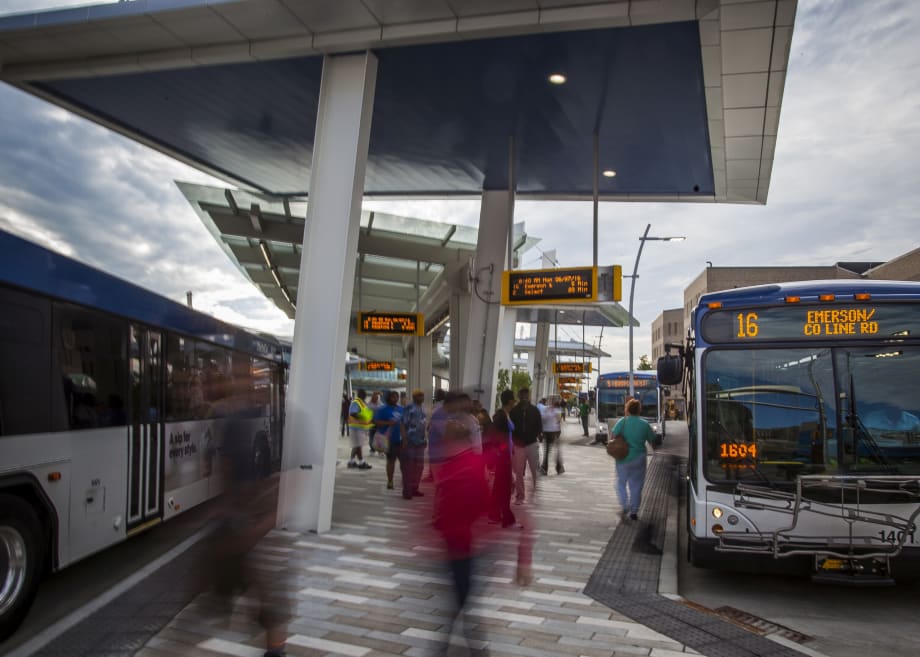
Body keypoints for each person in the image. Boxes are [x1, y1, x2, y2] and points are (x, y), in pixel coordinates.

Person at [610, 398, 658, 521]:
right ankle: (634, 511)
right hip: (639, 458)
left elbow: (613, 435)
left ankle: (624, 504)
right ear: (639, 410)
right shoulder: (645, 424)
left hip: (623, 457)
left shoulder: (622, 421)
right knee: (636, 485)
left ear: (627, 409)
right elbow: (652, 440)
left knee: (620, 482)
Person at [487, 390, 516, 527]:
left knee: (501, 486)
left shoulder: (506, 414)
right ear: (510, 401)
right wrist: (502, 449)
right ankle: (504, 516)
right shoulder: (500, 416)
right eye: (513, 399)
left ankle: (497, 515)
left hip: (506, 455)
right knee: (503, 486)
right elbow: (494, 435)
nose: (515, 401)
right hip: (503, 457)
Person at [509, 387, 542, 505]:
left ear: (529, 397)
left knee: (534, 469)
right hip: (519, 446)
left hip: (532, 444)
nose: (524, 398)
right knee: (518, 472)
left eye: (526, 396)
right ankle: (520, 496)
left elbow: (539, 425)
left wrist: (536, 436)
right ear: (519, 397)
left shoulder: (535, 410)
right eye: (522, 396)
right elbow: (511, 428)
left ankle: (535, 491)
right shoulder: (514, 411)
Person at [374, 390, 406, 494]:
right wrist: (388, 423)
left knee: (404, 463)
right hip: (389, 440)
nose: (395, 399)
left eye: (396, 397)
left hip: (400, 440)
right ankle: (390, 481)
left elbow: (403, 424)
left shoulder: (401, 409)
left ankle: (405, 481)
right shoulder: (382, 409)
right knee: (391, 461)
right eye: (393, 397)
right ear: (388, 398)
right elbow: (376, 422)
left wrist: (405, 438)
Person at [401, 388, 428, 497]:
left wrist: (425, 439)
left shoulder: (422, 409)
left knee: (419, 467)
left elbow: (422, 426)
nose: (422, 397)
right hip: (410, 442)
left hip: (420, 442)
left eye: (422, 395)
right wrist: (404, 439)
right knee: (409, 467)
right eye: (419, 396)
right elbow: (402, 424)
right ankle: (407, 491)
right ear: (414, 397)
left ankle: (414, 488)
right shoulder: (409, 408)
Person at [346, 389, 373, 470]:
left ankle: (351, 461)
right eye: (363, 393)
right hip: (356, 427)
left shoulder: (362, 403)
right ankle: (361, 462)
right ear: (359, 394)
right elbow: (353, 413)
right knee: (358, 445)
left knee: (356, 445)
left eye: (365, 393)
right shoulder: (356, 402)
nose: (365, 395)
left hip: (360, 427)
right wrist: (363, 417)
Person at [540, 399, 564, 475]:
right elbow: (559, 420)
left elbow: (542, 420)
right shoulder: (556, 410)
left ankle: (545, 468)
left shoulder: (546, 410)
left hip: (548, 432)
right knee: (555, 451)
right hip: (554, 432)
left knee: (547, 451)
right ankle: (559, 467)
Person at [367, 390, 383, 456]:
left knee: (379, 437)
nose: (376, 398)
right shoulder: (369, 404)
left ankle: (380, 451)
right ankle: (372, 450)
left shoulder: (380, 404)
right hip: (372, 423)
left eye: (377, 397)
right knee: (372, 437)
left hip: (379, 423)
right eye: (374, 397)